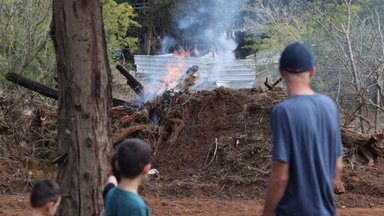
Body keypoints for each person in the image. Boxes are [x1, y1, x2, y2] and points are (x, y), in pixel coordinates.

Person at [262, 42, 343, 216]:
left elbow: (280, 177)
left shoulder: (283, 112)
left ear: (280, 72)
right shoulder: (330, 106)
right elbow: (337, 166)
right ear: (312, 72)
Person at [104, 138, 151, 216]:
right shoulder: (137, 207)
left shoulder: (110, 194)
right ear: (147, 168)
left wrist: (112, 176)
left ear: (117, 165)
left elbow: (110, 184)